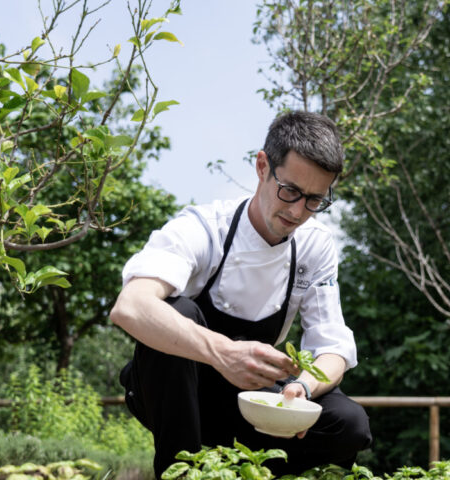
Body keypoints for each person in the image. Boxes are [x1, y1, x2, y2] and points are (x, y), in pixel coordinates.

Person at [110, 111, 372, 478]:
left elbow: (333, 347)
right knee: (178, 311)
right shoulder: (203, 228)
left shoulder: (315, 247)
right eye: (291, 191)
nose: (299, 212)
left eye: (314, 200)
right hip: (178, 399)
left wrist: (302, 388)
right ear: (262, 166)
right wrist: (224, 353)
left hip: (252, 406)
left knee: (349, 423)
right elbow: (131, 306)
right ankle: (179, 472)